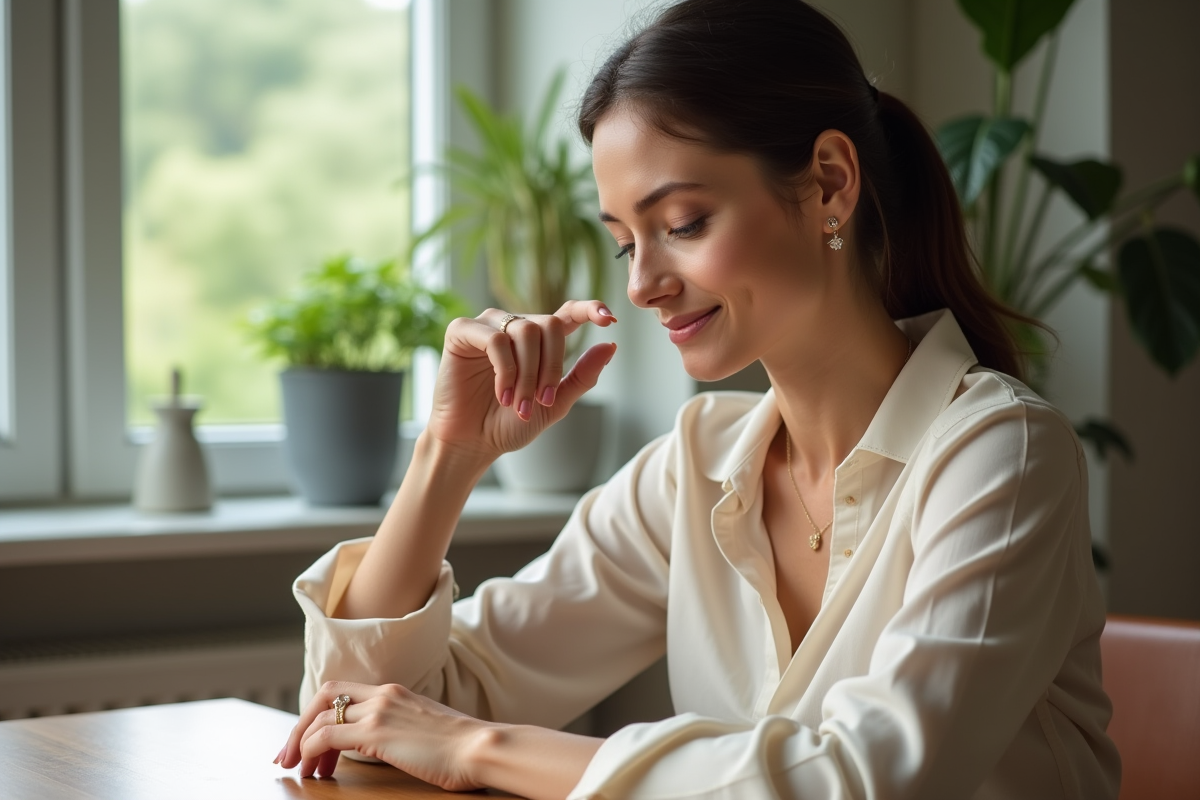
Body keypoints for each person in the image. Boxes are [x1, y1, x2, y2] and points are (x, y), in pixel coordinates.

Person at [274, 1, 1120, 797]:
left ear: (829, 183)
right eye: (622, 244)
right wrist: (449, 453)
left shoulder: (1000, 456)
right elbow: (355, 716)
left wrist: (472, 744)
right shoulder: (696, 466)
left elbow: (862, 781)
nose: (643, 284)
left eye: (681, 223)